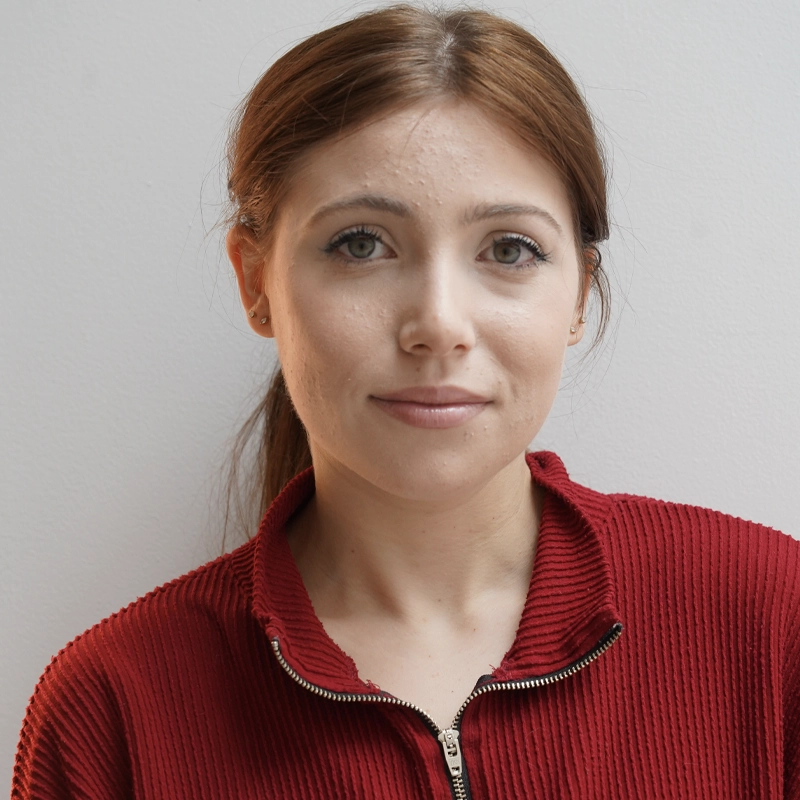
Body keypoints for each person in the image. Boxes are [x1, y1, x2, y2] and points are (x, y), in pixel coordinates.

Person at [11, 4, 800, 799]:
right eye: (361, 244)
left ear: (578, 297)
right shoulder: (111, 712)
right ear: (256, 281)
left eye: (509, 249)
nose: (439, 325)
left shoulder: (771, 620)